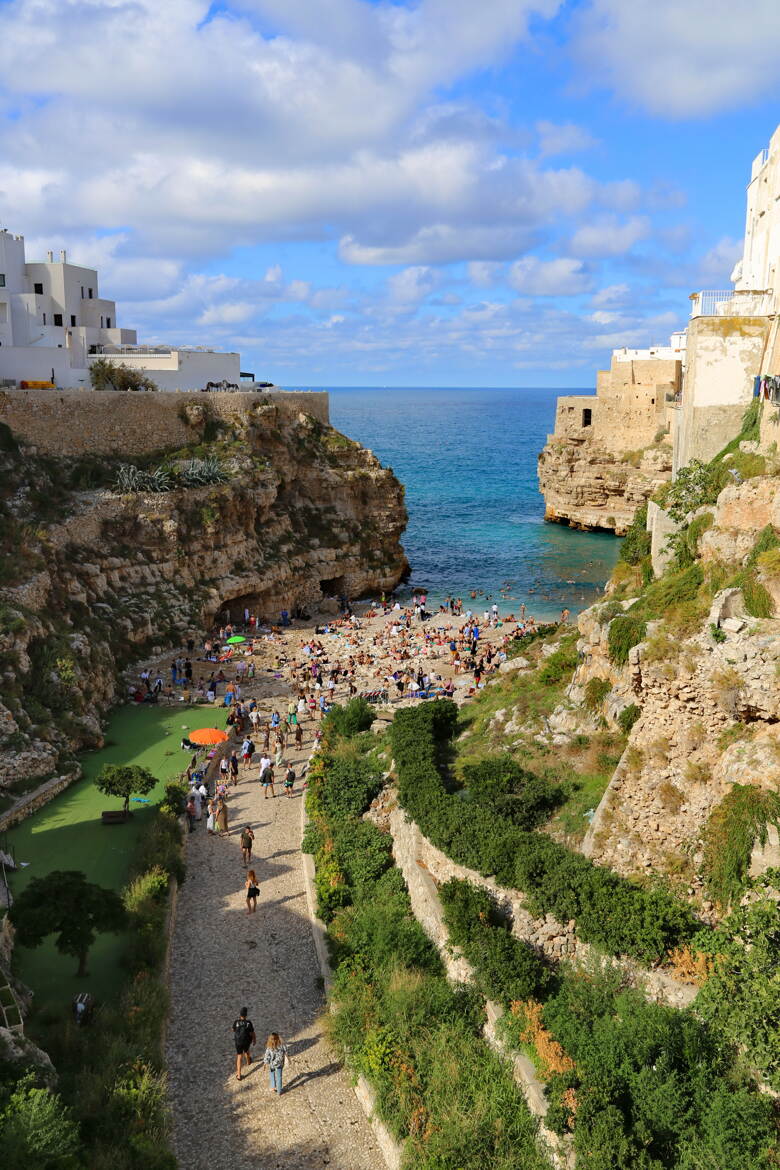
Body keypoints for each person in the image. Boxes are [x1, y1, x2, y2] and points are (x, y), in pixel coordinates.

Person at [233, 1008, 256, 1080]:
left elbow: (233, 1029)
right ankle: (248, 1061)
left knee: (239, 1056)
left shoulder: (236, 1022)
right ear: (246, 1015)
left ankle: (239, 1075)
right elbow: (252, 1033)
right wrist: (254, 1040)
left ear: (240, 1015)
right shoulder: (248, 1023)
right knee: (246, 1051)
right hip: (246, 1041)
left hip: (238, 1042)